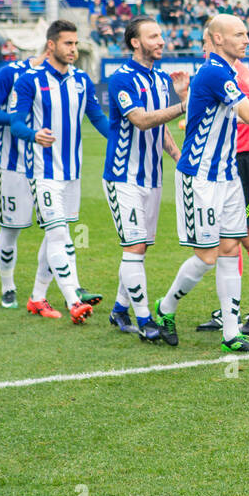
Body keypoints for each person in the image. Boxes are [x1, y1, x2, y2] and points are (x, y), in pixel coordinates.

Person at [150, 15, 249, 352]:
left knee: (230, 249)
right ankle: (165, 308)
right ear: (218, 39)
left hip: (225, 177)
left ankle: (230, 334)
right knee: (207, 256)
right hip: (200, 176)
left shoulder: (226, 73)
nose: (247, 39)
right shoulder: (214, 72)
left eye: (246, 33)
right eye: (239, 34)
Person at [10, 20, 111, 325]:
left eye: (75, 43)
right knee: (59, 234)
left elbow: (98, 118)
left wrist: (124, 141)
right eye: (68, 43)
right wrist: (33, 135)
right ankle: (74, 300)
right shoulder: (29, 80)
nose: (74, 49)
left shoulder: (81, 80)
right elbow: (16, 123)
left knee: (55, 236)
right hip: (43, 172)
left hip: (72, 173)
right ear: (51, 45)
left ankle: (37, 298)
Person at [102, 17, 188, 339]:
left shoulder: (157, 78)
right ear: (135, 42)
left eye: (161, 35)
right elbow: (141, 120)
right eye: (153, 36)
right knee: (135, 246)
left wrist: (178, 157)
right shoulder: (122, 78)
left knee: (139, 249)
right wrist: (183, 105)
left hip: (152, 177)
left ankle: (119, 310)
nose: (161, 41)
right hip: (123, 177)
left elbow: (160, 126)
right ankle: (146, 321)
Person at [196, 50, 249, 337]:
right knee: (228, 237)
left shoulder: (244, 78)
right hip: (226, 163)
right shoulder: (222, 75)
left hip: (245, 162)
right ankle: (230, 307)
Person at [0, 46, 46, 309]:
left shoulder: (67, 76)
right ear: (51, 46)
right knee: (11, 228)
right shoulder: (11, 72)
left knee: (57, 229)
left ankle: (55, 287)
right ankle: (8, 286)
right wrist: (18, 119)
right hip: (13, 163)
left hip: (51, 166)